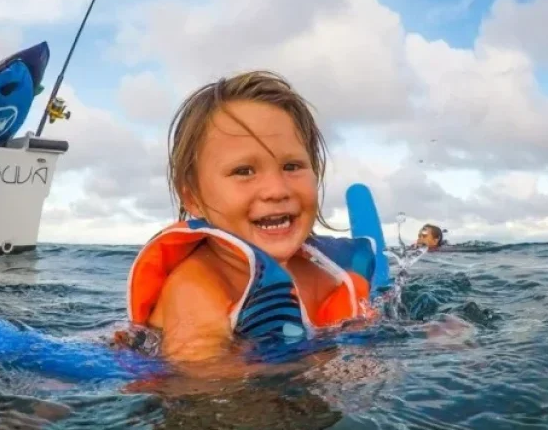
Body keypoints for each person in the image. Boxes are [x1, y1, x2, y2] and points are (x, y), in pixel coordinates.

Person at [122, 70, 379, 368]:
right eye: (244, 171)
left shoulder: (323, 272)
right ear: (192, 197)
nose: (277, 190)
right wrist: (321, 366)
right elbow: (201, 394)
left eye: (292, 165)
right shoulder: (197, 291)